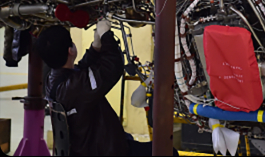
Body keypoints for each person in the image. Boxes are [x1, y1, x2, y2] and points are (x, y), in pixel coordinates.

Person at [38, 21, 177, 156]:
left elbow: (82, 71)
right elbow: (112, 67)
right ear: (71, 50)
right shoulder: (74, 87)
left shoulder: (54, 80)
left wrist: (95, 47)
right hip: (104, 151)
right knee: (168, 152)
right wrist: (106, 35)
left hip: (89, 148)